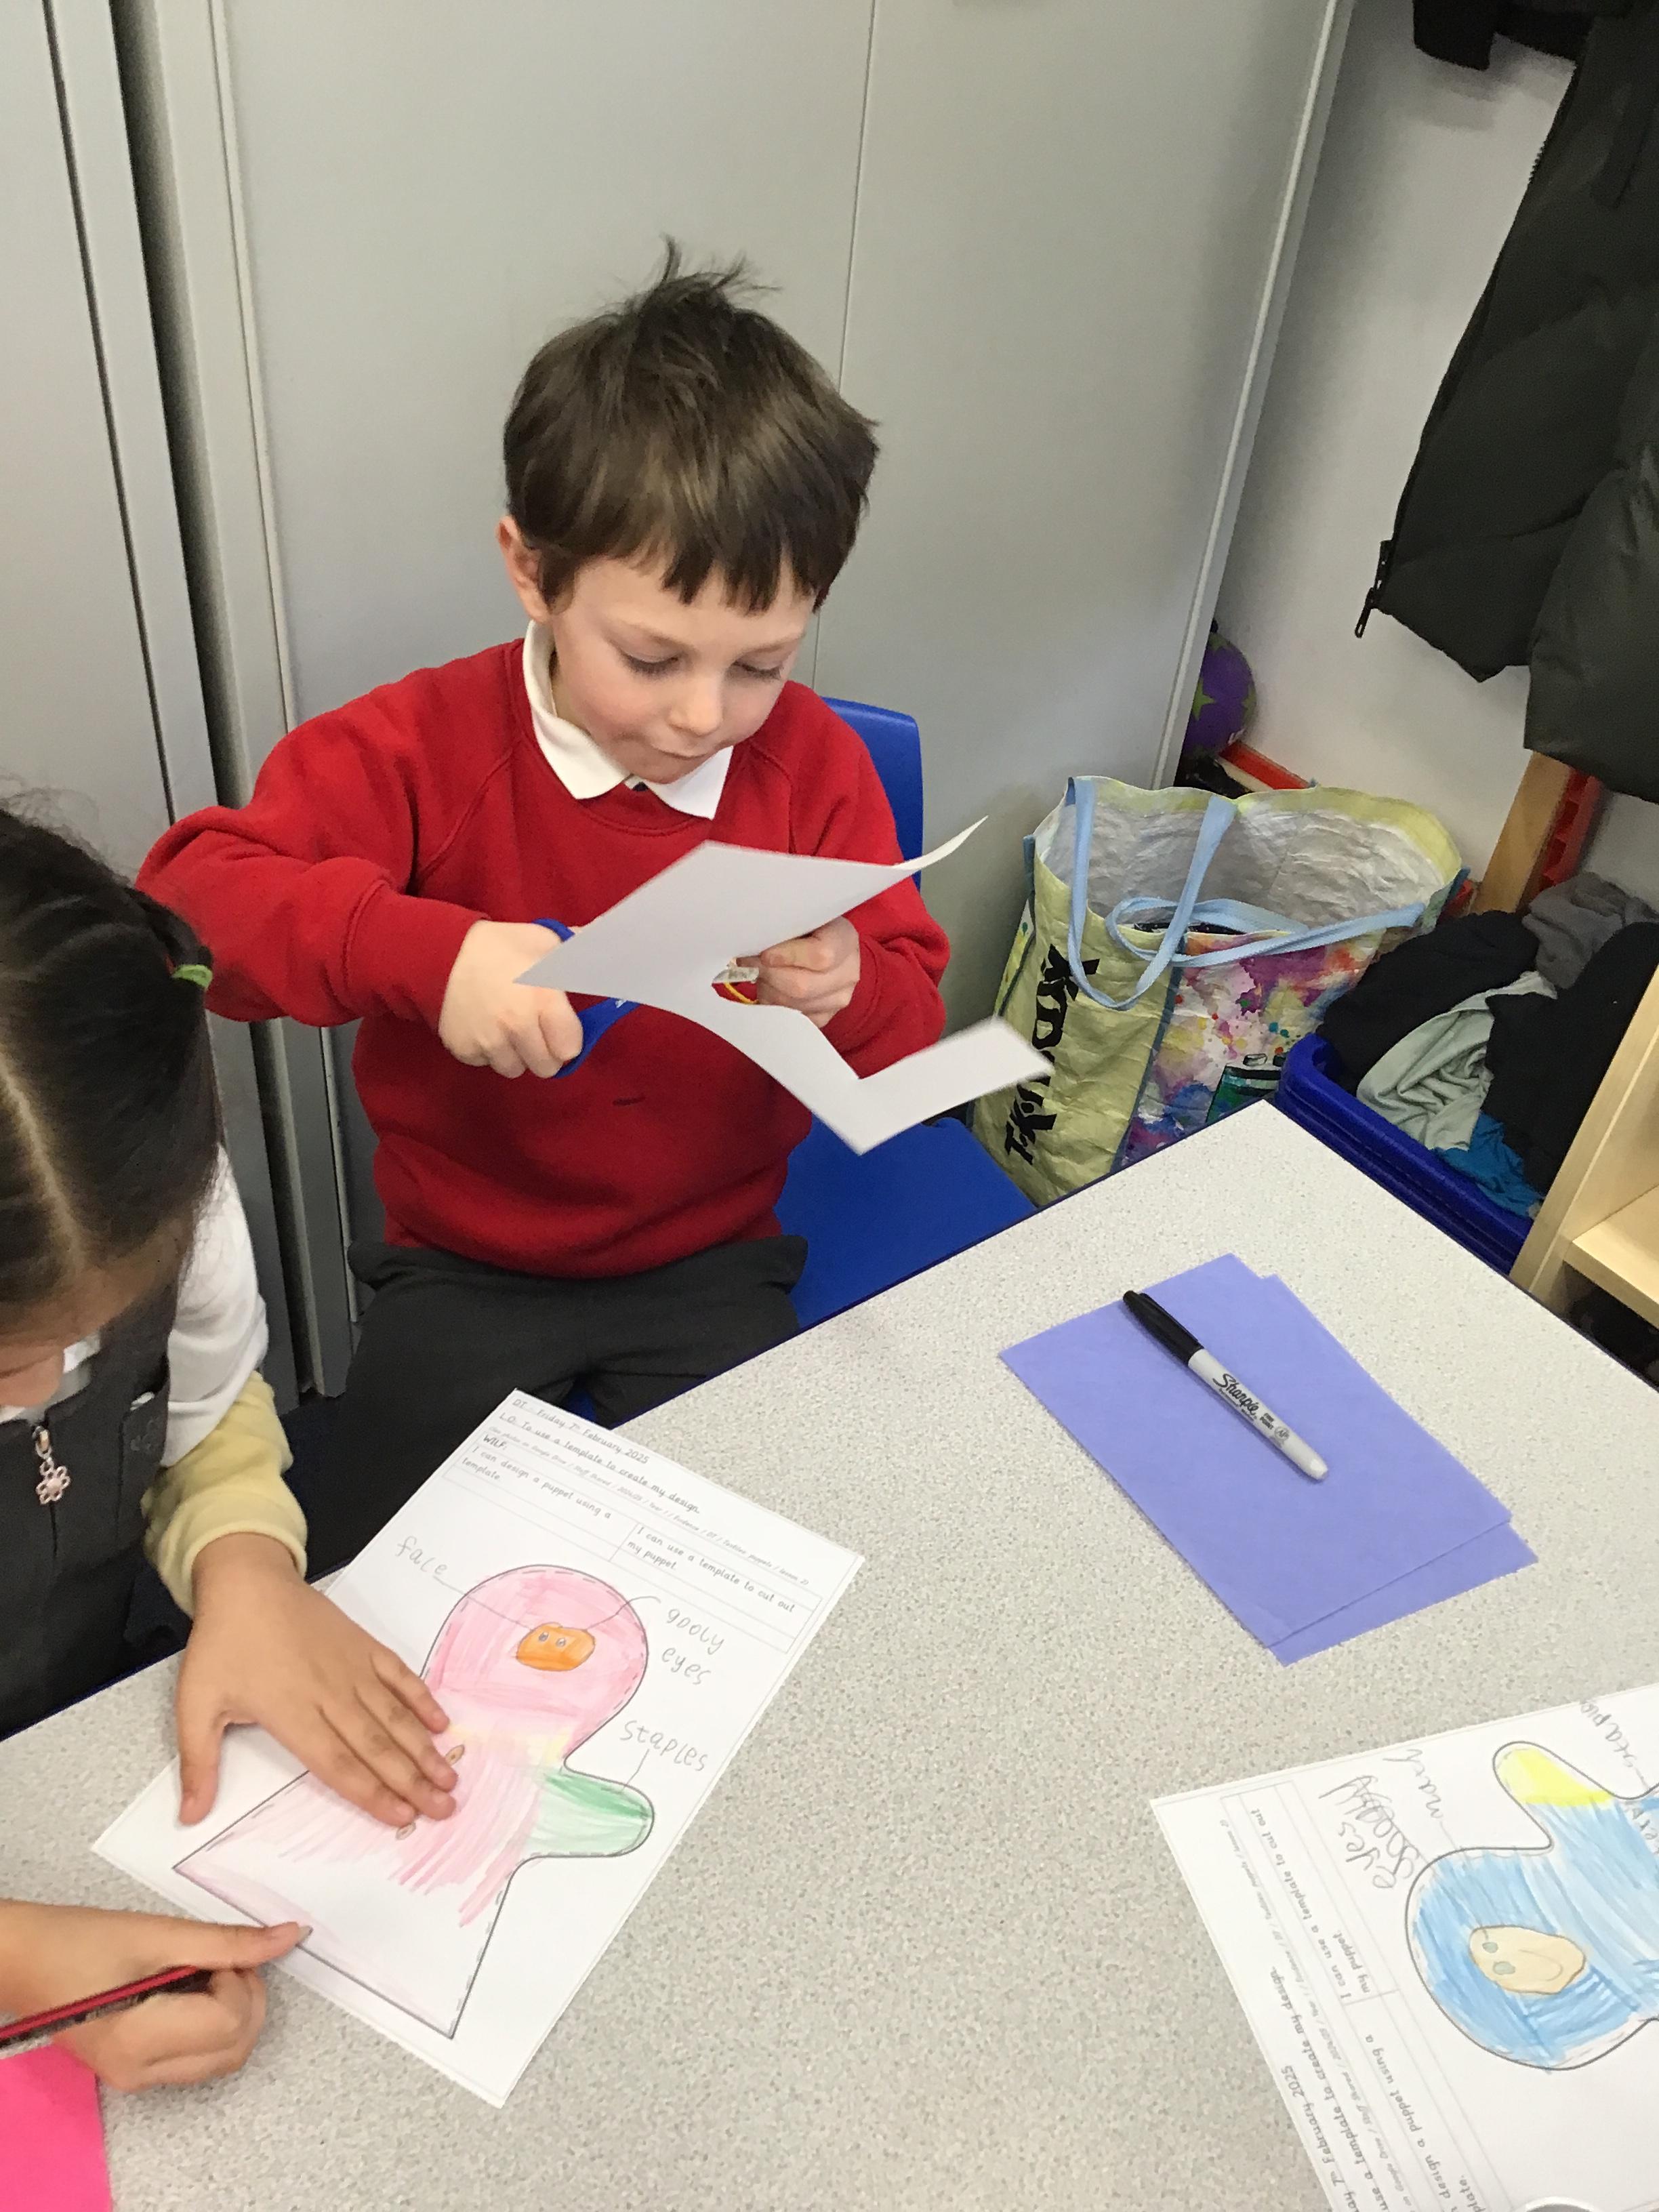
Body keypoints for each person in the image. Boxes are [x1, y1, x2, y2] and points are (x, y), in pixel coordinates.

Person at [140, 246, 949, 1573]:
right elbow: (184, 915)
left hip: (713, 1256)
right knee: (376, 1588)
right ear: (532, 570)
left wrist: (850, 985)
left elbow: (910, 1031)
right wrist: (427, 953)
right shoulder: (421, 747)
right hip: (469, 1265)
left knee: (759, 1577)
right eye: (651, 657)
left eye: (761, 663)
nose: (703, 717)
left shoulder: (813, 769)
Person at [0, 806, 459, 2090]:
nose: (45, 1389)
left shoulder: (150, 1193)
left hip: (85, 1731)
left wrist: (247, 1566)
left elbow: (204, 1412)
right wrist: (18, 1958)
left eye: (88, 1337)